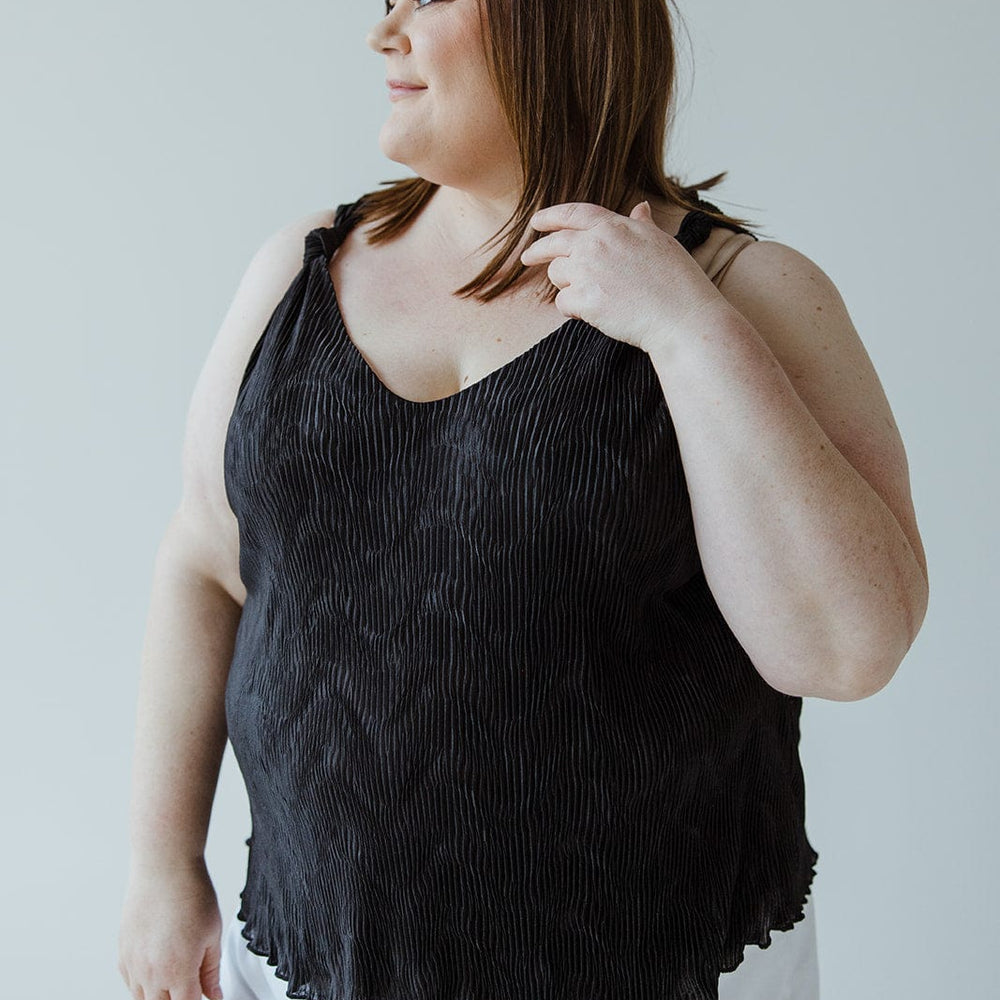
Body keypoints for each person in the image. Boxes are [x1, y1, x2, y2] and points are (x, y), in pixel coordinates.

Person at [117, 1, 929, 999]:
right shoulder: (296, 272)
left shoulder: (745, 292)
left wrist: (685, 333)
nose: (385, 33)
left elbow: (849, 647)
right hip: (310, 949)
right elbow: (204, 561)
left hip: (656, 960)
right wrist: (163, 864)